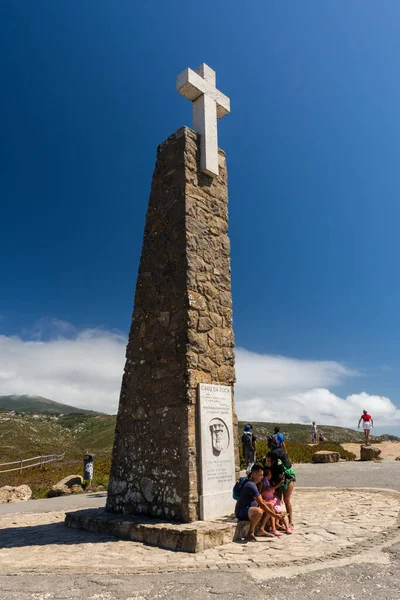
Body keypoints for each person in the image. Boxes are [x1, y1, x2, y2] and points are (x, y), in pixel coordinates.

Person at [235, 463, 285, 541]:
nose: (262, 478)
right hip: (242, 511)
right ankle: (250, 533)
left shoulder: (253, 484)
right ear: (254, 474)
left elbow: (261, 501)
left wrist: (272, 511)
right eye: (260, 475)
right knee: (258, 512)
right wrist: (275, 515)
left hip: (250, 509)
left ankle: (260, 529)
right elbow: (261, 504)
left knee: (270, 505)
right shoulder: (250, 485)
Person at [264, 451, 296, 529]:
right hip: (277, 483)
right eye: (266, 460)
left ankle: (290, 522)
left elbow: (281, 481)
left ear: (273, 461)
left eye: (269, 461)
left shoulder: (279, 468)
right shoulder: (267, 466)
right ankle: (279, 521)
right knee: (278, 501)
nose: (267, 462)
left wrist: (272, 488)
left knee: (286, 500)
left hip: (287, 481)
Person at [261, 469, 292, 535]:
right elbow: (269, 490)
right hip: (267, 499)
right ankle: (274, 528)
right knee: (273, 511)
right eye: (268, 475)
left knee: (281, 511)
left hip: (273, 498)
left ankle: (287, 527)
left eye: (270, 475)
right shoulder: (263, 482)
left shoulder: (270, 482)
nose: (269, 476)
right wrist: (279, 484)